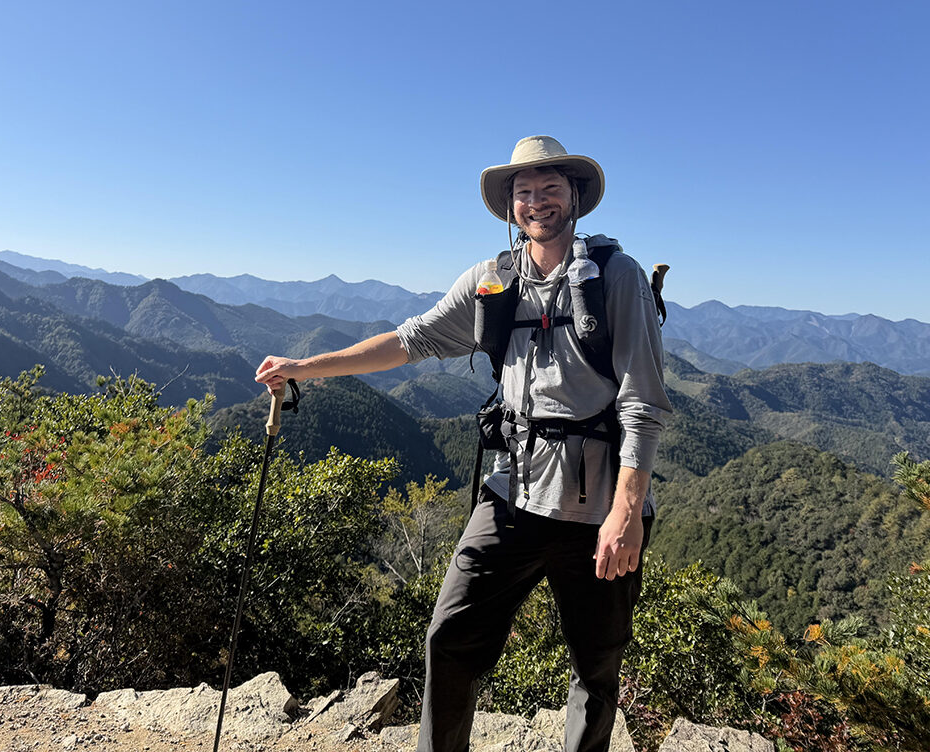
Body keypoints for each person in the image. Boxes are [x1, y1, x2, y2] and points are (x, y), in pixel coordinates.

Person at [255, 135, 672, 752]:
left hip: (598, 508)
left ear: (576, 196)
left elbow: (643, 402)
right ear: (509, 206)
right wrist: (306, 366)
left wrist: (626, 513)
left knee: (595, 665)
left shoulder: (617, 278)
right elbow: (409, 340)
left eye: (550, 187)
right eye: (523, 191)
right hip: (512, 492)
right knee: (449, 639)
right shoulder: (491, 283)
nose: (537, 201)